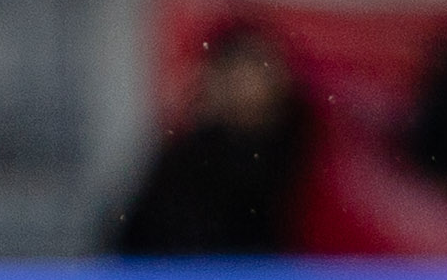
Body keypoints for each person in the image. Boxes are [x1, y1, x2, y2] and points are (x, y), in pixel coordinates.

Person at [108, 22, 314, 255]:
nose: (244, 90)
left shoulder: (308, 150)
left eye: (254, 74)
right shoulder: (186, 161)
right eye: (234, 78)